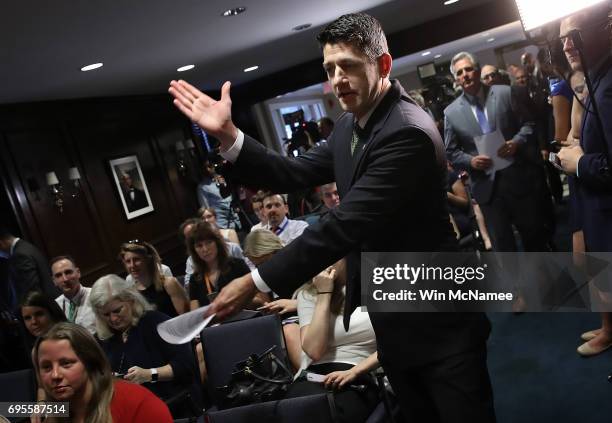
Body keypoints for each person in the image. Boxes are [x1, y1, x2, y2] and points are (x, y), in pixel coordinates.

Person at [170, 12, 493, 422]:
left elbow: (345, 225)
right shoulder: (350, 126)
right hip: (395, 319)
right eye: (330, 68)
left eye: (349, 66)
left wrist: (254, 281)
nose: (337, 78)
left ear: (383, 65)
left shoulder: (407, 130)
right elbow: (292, 173)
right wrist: (229, 137)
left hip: (440, 324)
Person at [444, 51, 550, 253]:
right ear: (456, 78)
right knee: (503, 248)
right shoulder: (451, 112)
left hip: (517, 179)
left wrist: (516, 142)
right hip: (486, 189)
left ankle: (547, 282)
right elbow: (450, 151)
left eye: (468, 69)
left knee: (535, 239)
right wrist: (470, 161)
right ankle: (516, 286)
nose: (464, 75)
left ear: (477, 70)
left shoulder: (504, 93)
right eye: (459, 72)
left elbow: (529, 123)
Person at [557, 4, 612, 356]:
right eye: (562, 39)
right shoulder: (599, 80)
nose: (566, 46)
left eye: (573, 35)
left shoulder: (608, 88)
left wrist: (578, 162)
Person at [89, 275, 199, 415]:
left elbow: (186, 365)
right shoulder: (101, 340)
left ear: (131, 300)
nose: (113, 319)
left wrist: (149, 374)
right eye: (106, 314)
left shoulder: (156, 322)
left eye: (117, 310)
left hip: (170, 403)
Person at [287, 261, 379, 423]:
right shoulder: (308, 294)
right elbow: (314, 351)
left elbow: (395, 345)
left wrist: (355, 372)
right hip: (313, 374)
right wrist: (324, 294)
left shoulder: (380, 283)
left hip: (358, 372)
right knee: (292, 413)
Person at [32, 322, 173, 423]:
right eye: (46, 367)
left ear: (90, 362)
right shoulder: (55, 410)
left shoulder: (138, 404)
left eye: (66, 364)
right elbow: (13, 409)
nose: (55, 375)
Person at [243, 229, 302, 371]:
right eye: (257, 266)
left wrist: (295, 304)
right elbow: (267, 306)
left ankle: (310, 378)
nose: (262, 269)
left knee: (288, 332)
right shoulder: (262, 277)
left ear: (277, 251)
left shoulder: (301, 263)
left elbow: (327, 299)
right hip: (280, 324)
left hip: (307, 317)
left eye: (264, 262)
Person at [185, 221, 253, 309]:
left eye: (209, 242)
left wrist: (234, 302)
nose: (205, 249)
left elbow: (260, 299)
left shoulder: (237, 265)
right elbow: (195, 315)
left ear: (217, 243)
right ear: (194, 251)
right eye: (199, 246)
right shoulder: (195, 279)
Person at [119, 240, 188, 317]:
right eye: (128, 261)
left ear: (148, 260)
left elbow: (185, 317)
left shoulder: (169, 284)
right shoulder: (132, 294)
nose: (132, 265)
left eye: (136, 259)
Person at [0, 227, 58, 311]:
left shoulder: (19, 255)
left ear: (1, 243)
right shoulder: (26, 246)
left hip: (43, 312)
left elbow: (32, 293)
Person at [50, 255, 96, 334]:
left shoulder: (95, 297)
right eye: (58, 275)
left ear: (78, 273)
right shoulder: (55, 306)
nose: (65, 279)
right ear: (54, 281)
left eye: (68, 272)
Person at [196, 161, 241, 229]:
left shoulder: (224, 178)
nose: (208, 169)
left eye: (210, 166)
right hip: (221, 224)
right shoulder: (202, 187)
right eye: (205, 168)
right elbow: (206, 209)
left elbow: (233, 196)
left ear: (214, 166)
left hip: (236, 220)